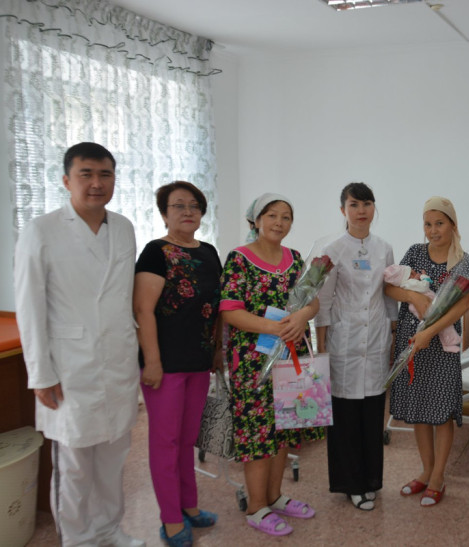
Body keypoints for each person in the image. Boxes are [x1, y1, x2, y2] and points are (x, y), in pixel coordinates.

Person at [14, 142, 145, 547]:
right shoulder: (42, 230)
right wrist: (41, 374)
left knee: (113, 458)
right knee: (74, 464)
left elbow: (122, 297)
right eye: (86, 174)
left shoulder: (122, 227)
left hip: (117, 361)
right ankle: (77, 538)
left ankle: (109, 530)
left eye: (105, 174)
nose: (96, 183)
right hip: (70, 366)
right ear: (66, 180)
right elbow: (29, 306)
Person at [220, 193, 323, 537]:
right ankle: (256, 508)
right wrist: (275, 327)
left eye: (286, 217)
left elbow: (312, 301)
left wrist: (302, 317)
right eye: (272, 215)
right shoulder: (239, 258)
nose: (279, 222)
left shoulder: (295, 259)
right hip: (253, 362)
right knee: (258, 434)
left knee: (284, 429)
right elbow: (230, 310)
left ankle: (275, 497)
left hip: (292, 355)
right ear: (256, 220)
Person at [133, 181, 222, 546]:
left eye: (194, 206)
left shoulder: (210, 252)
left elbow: (216, 307)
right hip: (165, 364)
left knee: (187, 439)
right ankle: (170, 519)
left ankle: (189, 506)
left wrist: (216, 350)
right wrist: (152, 361)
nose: (188, 211)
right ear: (164, 213)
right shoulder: (156, 252)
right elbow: (143, 309)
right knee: (166, 442)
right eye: (178, 206)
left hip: (199, 360)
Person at [386, 197, 469, 507]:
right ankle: (425, 471)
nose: (433, 230)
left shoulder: (463, 261)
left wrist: (430, 331)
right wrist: (414, 297)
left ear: (452, 224)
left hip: (441, 345)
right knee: (419, 411)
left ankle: (438, 477)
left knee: (441, 412)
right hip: (412, 341)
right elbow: (389, 287)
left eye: (439, 223)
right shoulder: (415, 252)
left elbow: (463, 304)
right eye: (428, 224)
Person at [316, 182, 398, 511]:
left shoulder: (384, 248)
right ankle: (351, 484)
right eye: (354, 204)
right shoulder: (333, 249)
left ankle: (371, 481)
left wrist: (393, 338)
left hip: (376, 337)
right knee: (346, 415)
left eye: (366, 204)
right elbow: (323, 302)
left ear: (374, 208)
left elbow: (389, 297)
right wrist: (322, 350)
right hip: (344, 341)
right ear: (343, 210)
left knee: (372, 412)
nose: (361, 211)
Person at [383, 263, 461, 351]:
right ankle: (450, 342)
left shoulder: (406, 284)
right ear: (404, 279)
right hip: (426, 306)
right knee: (443, 326)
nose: (416, 273)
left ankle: (449, 343)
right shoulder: (410, 283)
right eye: (411, 273)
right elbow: (424, 287)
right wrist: (424, 277)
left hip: (425, 307)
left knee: (441, 326)